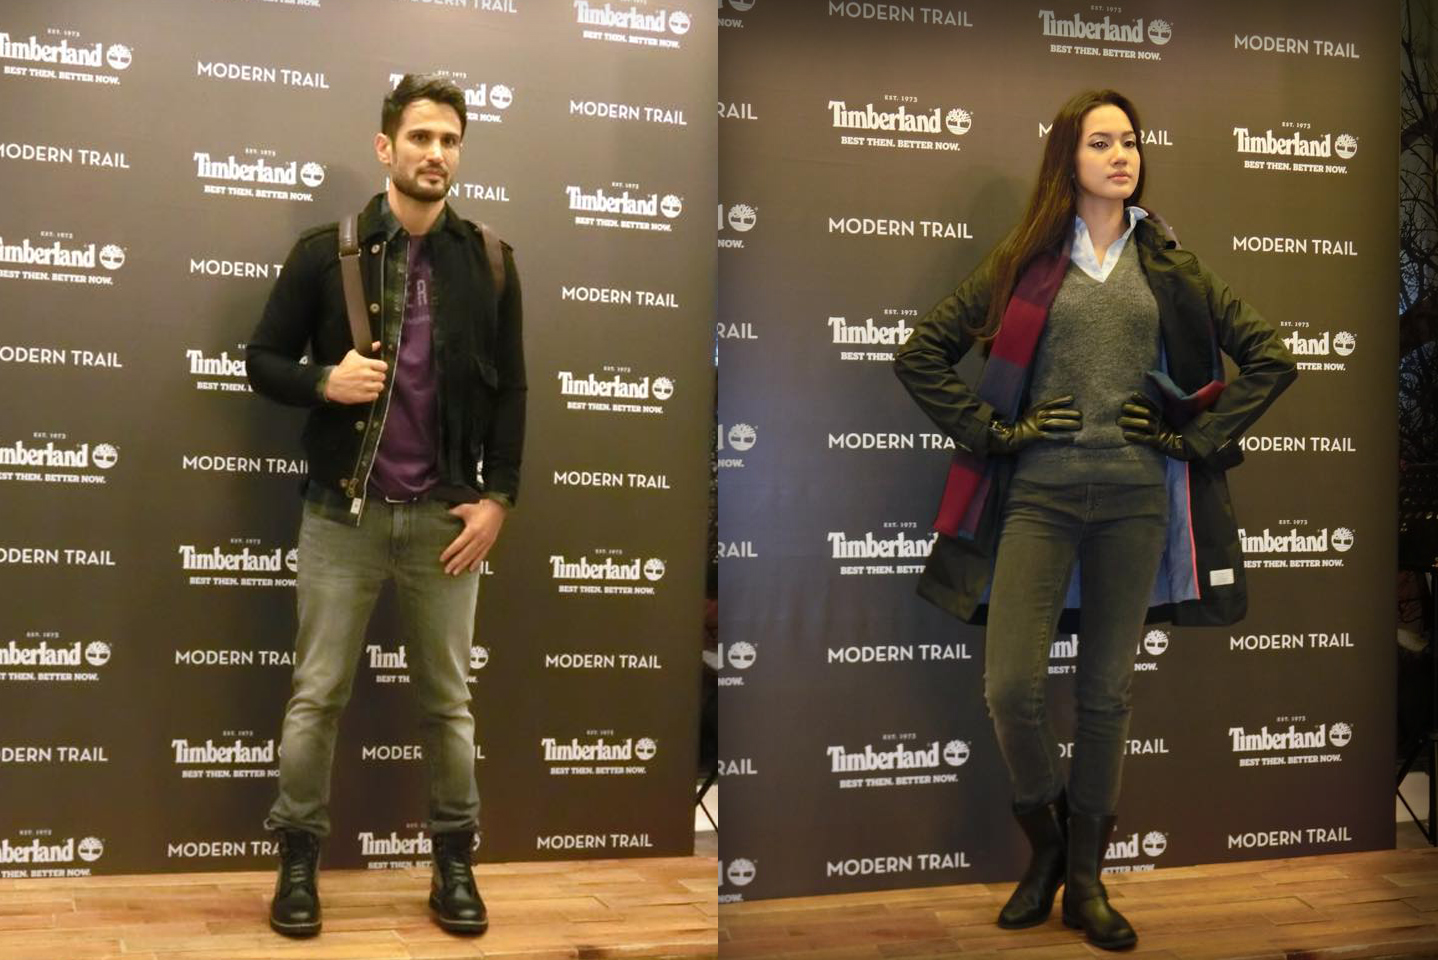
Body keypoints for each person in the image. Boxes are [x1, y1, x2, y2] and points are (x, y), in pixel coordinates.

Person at [894, 89, 1294, 951]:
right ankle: (1047, 845)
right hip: (1037, 499)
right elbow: (920, 353)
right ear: (1067, 160)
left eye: (1131, 142)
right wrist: (996, 431)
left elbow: (1271, 357)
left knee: (1106, 695)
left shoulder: (1173, 267)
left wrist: (1193, 436)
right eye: (1101, 142)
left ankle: (1084, 883)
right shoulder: (1024, 262)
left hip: (1135, 504)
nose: (1122, 155)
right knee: (1010, 689)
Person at [246, 73, 525, 938]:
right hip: (343, 517)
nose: (435, 154)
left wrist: (498, 498)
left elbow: (513, 390)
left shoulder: (490, 260)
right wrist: (323, 382)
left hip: (445, 521)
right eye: (420, 138)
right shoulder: (324, 253)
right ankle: (298, 861)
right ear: (386, 147)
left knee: (448, 704)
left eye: (449, 141)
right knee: (316, 696)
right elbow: (261, 361)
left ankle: (453, 865)